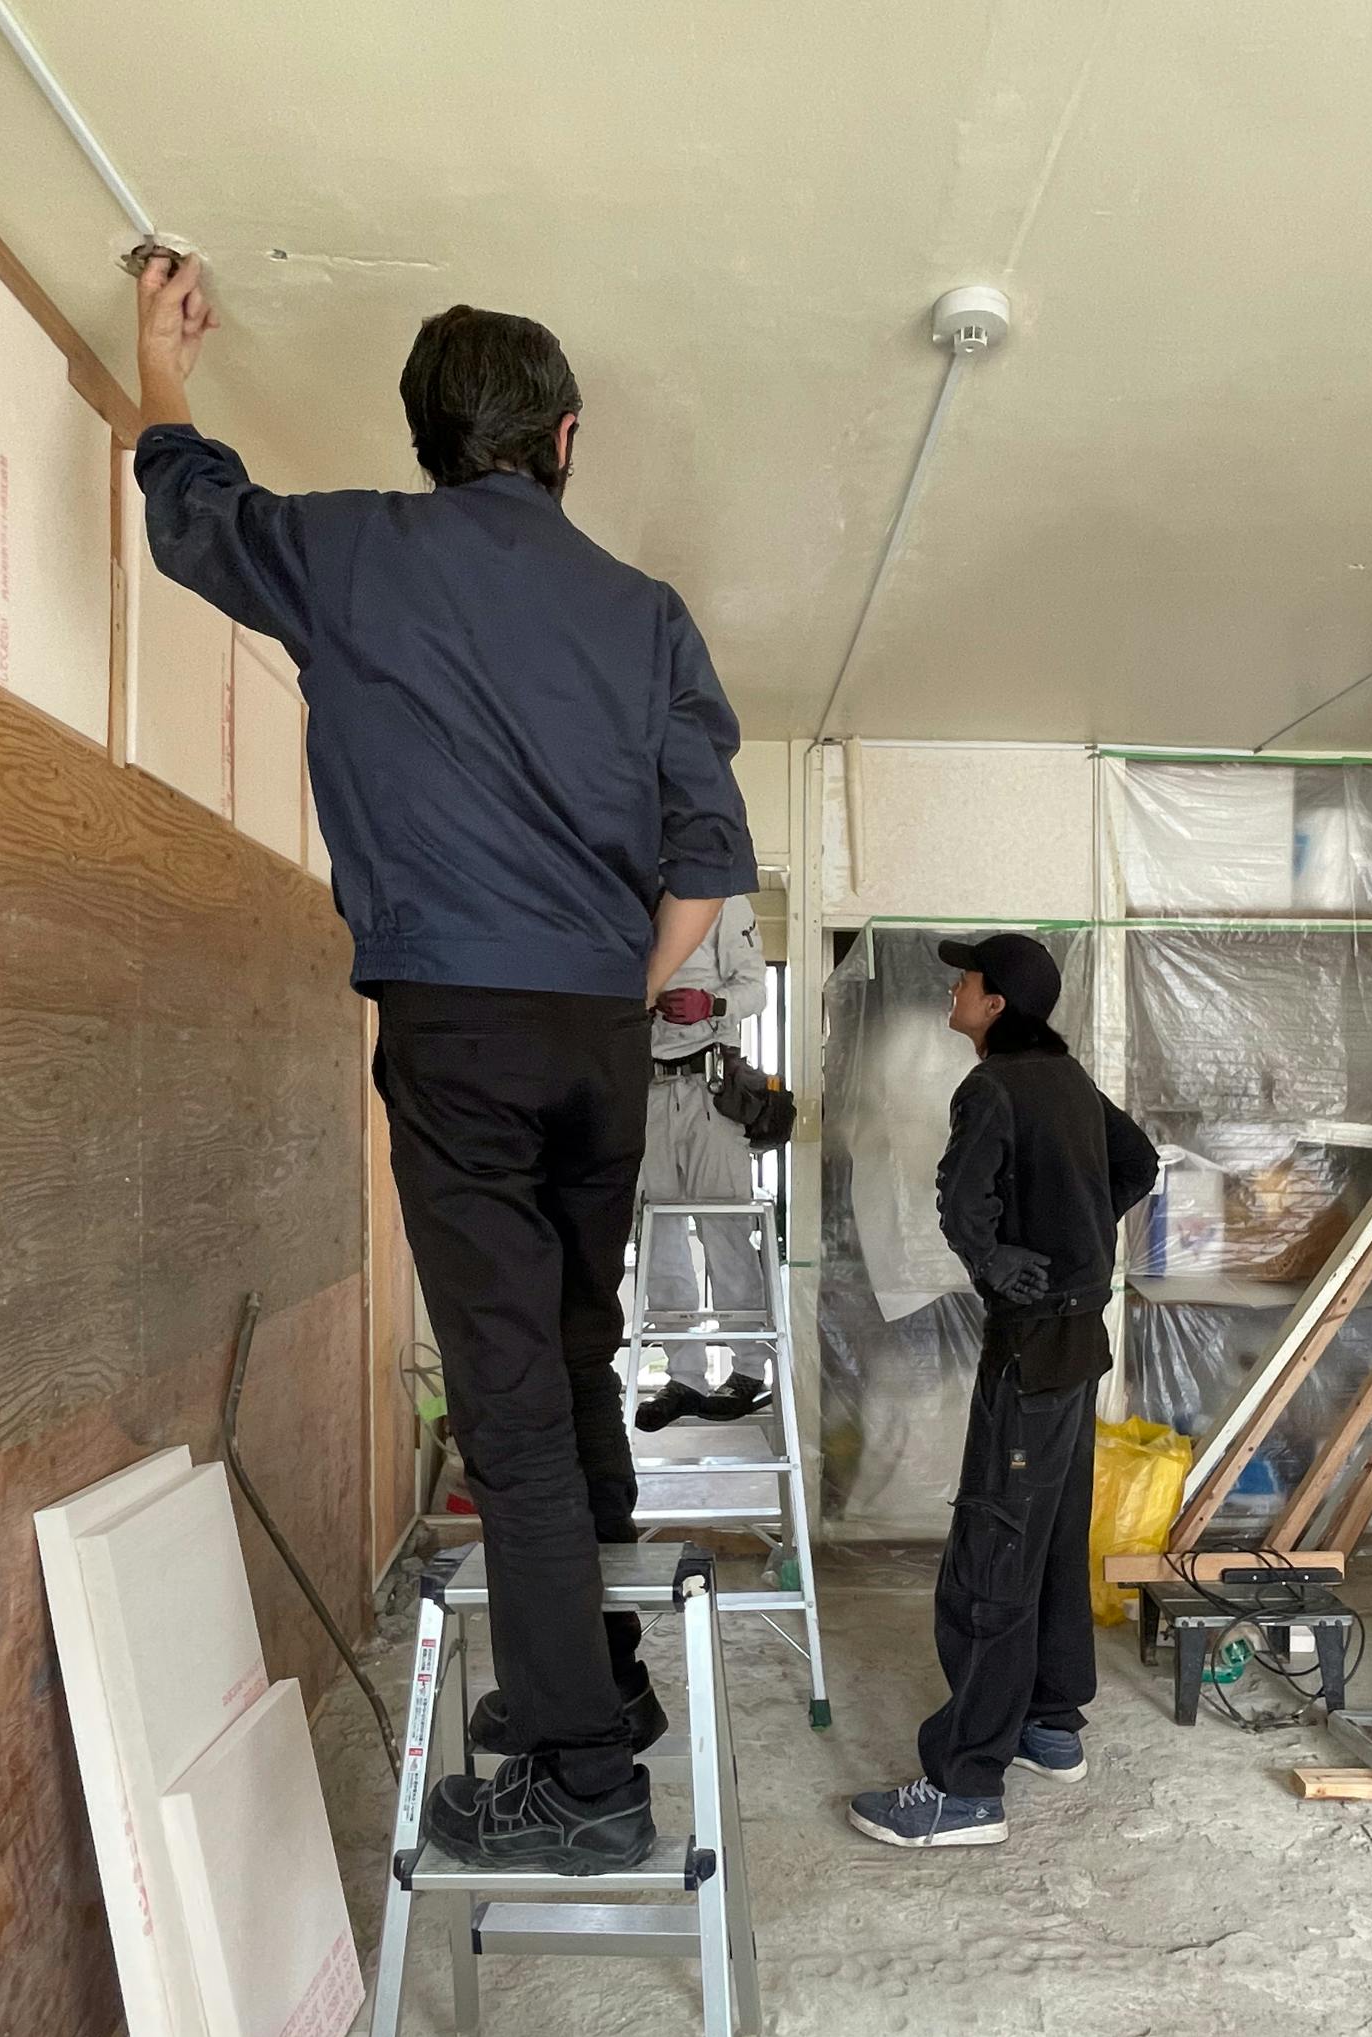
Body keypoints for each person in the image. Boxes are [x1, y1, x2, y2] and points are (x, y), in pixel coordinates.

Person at [131, 256, 756, 1874]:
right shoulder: (648, 615)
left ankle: (583, 1781)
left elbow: (193, 514)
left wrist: (163, 360)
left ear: (427, 442)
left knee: (511, 1401)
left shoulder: (352, 552)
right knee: (576, 1343)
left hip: (457, 1027)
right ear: (565, 439)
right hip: (600, 1033)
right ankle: (600, 1679)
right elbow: (705, 864)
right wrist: (612, 991)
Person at [850, 933, 1158, 1849]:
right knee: (1053, 1534)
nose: (955, 988)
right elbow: (1139, 1163)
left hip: (1031, 1347)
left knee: (994, 1551)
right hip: (1079, 1342)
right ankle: (1050, 1725)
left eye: (968, 980)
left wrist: (999, 1261)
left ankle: (966, 1785)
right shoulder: (1067, 1080)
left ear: (997, 1006)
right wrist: (1075, 1238)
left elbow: (961, 1204)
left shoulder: (991, 1087)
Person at [635, 895, 773, 1431]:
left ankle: (749, 1369)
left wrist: (710, 1004)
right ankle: (685, 1376)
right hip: (646, 1087)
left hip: (710, 1086)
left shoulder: (724, 901)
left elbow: (756, 988)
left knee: (727, 1233)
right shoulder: (631, 894)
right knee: (659, 1239)